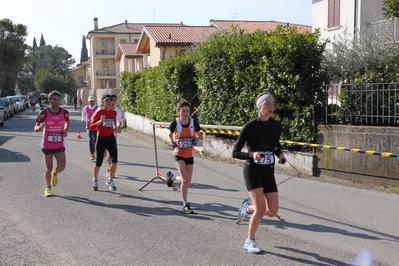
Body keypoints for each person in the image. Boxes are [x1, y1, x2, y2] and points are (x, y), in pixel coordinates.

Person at [232, 92, 286, 254]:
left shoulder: (276, 125)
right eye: (267, 104)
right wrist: (252, 155)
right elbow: (235, 152)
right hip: (252, 171)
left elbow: (275, 145)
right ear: (259, 107)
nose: (271, 107)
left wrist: (280, 155)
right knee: (261, 210)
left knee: (272, 212)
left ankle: (248, 208)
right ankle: (250, 241)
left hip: (268, 172)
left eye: (272, 104)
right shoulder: (249, 127)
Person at [165, 99, 201, 214]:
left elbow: (198, 132)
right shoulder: (175, 123)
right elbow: (169, 135)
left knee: (188, 182)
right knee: (185, 180)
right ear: (179, 111)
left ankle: (172, 178)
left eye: (187, 111)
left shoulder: (193, 122)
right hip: (179, 153)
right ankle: (185, 204)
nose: (185, 113)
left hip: (189, 154)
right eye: (183, 111)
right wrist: (171, 142)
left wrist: (196, 139)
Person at [34, 90, 70, 197]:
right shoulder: (44, 113)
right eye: (54, 99)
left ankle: (55, 173)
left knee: (62, 167)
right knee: (48, 168)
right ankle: (48, 188)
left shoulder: (64, 112)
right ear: (49, 100)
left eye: (58, 99)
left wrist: (65, 130)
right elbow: (35, 127)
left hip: (59, 144)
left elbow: (67, 123)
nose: (56, 101)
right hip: (47, 144)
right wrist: (39, 127)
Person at [90, 94, 121, 191]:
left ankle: (110, 179)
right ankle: (95, 180)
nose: (109, 103)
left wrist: (116, 129)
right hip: (101, 138)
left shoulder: (114, 113)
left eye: (111, 101)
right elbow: (91, 127)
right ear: (103, 102)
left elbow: (113, 124)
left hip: (111, 138)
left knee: (114, 160)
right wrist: (100, 121)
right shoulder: (99, 112)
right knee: (99, 162)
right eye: (107, 101)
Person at [105, 94, 123, 178]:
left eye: (115, 100)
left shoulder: (117, 111)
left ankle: (109, 170)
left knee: (112, 153)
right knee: (103, 154)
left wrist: (118, 127)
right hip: (102, 135)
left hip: (113, 135)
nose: (113, 102)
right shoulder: (102, 110)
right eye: (112, 100)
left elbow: (119, 121)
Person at [81, 96, 99, 161]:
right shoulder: (86, 107)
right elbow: (83, 113)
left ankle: (96, 153)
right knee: (91, 139)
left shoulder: (97, 108)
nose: (91, 102)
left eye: (92, 101)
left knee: (96, 140)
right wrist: (83, 119)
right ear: (88, 101)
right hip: (89, 126)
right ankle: (92, 154)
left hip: (96, 126)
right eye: (90, 101)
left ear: (94, 101)